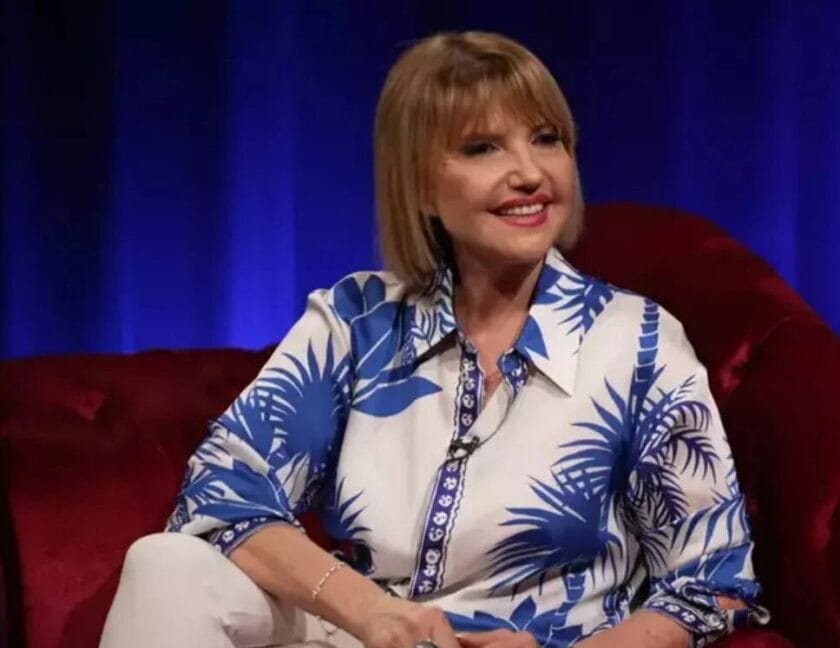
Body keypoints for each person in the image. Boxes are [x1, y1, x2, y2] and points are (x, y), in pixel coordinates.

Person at [100, 31, 768, 648]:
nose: (530, 173)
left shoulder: (637, 342)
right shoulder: (357, 321)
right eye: (483, 148)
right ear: (421, 186)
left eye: (547, 140)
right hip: (360, 635)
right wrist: (369, 611)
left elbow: (710, 583)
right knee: (165, 565)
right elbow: (222, 490)